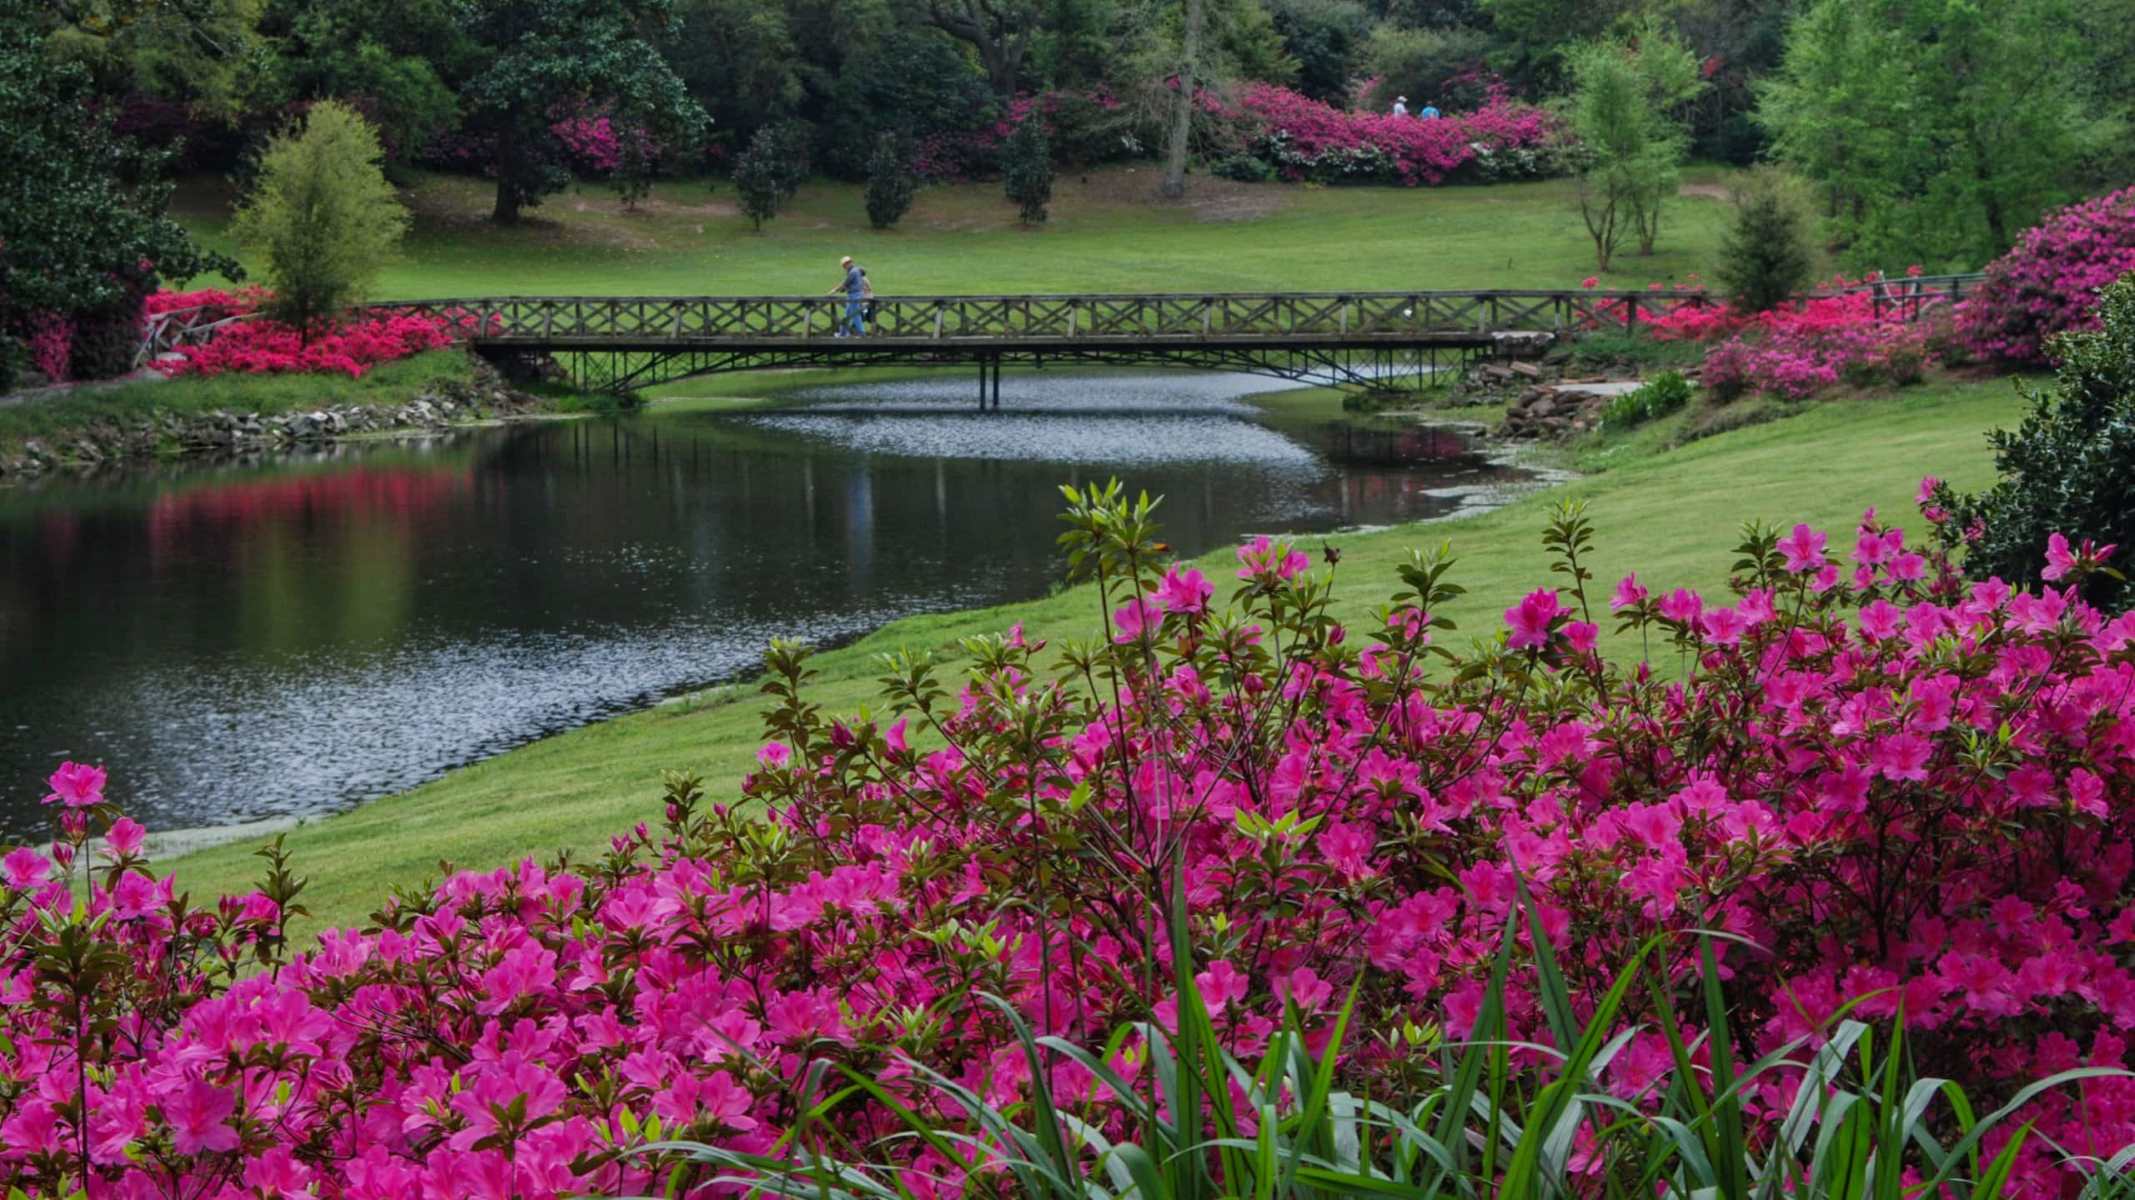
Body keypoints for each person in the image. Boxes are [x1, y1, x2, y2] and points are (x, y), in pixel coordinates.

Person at [828, 255, 866, 336]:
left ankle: (862, 334)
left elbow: (845, 283)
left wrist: (834, 290)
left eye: (844, 265)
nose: (843, 267)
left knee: (855, 315)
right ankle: (843, 333)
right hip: (855, 294)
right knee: (847, 315)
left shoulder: (853, 272)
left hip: (854, 295)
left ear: (848, 263)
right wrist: (843, 289)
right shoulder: (855, 270)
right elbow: (848, 284)